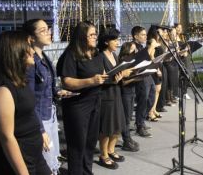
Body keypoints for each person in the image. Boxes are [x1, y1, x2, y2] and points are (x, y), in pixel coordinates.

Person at [0, 31, 51, 175]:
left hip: (34, 157)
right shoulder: (2, 90)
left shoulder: (20, 80)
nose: (32, 50)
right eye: (27, 46)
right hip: (17, 163)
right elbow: (7, 137)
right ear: (15, 52)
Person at [56, 21, 108, 174]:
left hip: (95, 101)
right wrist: (91, 81)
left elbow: (102, 73)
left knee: (90, 143)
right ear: (81, 37)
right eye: (91, 35)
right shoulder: (70, 55)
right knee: (77, 144)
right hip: (77, 105)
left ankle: (87, 171)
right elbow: (67, 82)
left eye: (95, 34)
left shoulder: (96, 53)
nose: (95, 37)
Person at [23, 19, 71, 174]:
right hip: (39, 117)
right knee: (44, 159)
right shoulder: (30, 62)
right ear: (31, 38)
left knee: (51, 155)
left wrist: (58, 92)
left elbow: (48, 88)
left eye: (48, 29)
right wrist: (41, 130)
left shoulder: (44, 57)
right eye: (43, 31)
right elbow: (30, 100)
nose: (48, 33)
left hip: (49, 113)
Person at [97, 28, 128, 169]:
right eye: (114, 40)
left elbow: (116, 74)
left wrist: (123, 74)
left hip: (116, 93)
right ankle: (103, 154)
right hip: (106, 95)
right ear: (106, 41)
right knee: (107, 127)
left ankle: (111, 149)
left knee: (118, 124)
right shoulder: (100, 56)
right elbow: (101, 79)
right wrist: (114, 80)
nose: (117, 42)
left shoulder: (114, 55)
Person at [131, 26, 156, 138]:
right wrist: (151, 47)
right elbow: (138, 61)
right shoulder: (132, 46)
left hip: (147, 74)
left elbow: (149, 59)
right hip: (140, 76)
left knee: (151, 96)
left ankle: (141, 119)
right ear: (136, 36)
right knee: (143, 99)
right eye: (142, 35)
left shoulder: (142, 46)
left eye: (146, 35)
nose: (145, 37)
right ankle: (139, 125)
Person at [118, 42, 140, 152]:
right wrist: (136, 78)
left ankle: (128, 138)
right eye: (133, 49)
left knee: (129, 116)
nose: (135, 52)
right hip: (125, 92)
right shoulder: (123, 61)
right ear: (127, 50)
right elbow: (123, 81)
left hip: (132, 90)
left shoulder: (132, 61)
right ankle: (126, 140)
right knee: (126, 117)